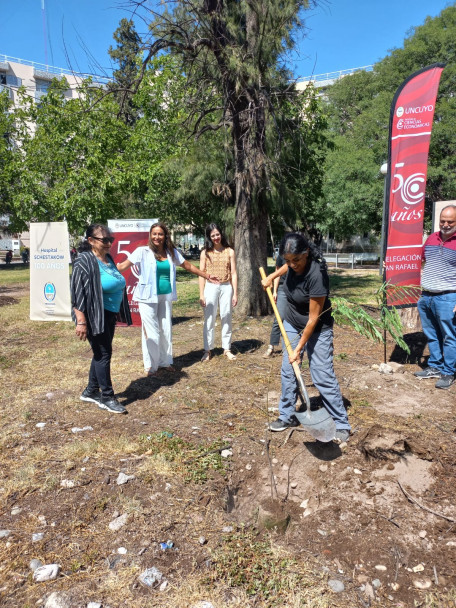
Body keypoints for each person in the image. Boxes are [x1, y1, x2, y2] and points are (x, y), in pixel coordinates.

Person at [261, 232, 351, 443]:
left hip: (318, 327)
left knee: (321, 374)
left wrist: (299, 348)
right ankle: (287, 416)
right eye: (288, 260)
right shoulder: (291, 264)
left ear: (307, 253)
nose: (292, 265)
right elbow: (285, 268)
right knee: (288, 370)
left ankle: (341, 423)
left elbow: (312, 319)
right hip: (292, 322)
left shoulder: (317, 274)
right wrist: (272, 277)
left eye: (297, 260)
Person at [116, 222, 219, 375]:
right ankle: (151, 365)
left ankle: (165, 362)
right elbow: (122, 266)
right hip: (146, 297)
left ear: (165, 236)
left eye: (160, 234)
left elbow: (188, 266)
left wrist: (206, 275)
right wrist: (103, 268)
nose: (157, 237)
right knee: (151, 332)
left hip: (165, 296)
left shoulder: (171, 252)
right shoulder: (142, 251)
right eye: (154, 234)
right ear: (150, 235)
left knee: (165, 330)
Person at [71, 224, 132, 414]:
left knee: (100, 352)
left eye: (110, 240)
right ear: (90, 240)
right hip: (94, 315)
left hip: (109, 313)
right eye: (104, 240)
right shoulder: (84, 260)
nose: (108, 243)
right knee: (103, 354)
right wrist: (81, 320)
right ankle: (107, 396)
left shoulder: (107, 258)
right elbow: (76, 291)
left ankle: (90, 391)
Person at [414, 204, 456, 389]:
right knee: (431, 335)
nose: (445, 225)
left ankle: (448, 372)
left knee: (449, 336)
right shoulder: (431, 238)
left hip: (448, 297)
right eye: (442, 221)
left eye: (450, 221)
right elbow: (419, 258)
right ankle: (435, 366)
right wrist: (389, 264)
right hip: (426, 296)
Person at [199, 223, 238, 362]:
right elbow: (201, 273)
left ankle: (226, 348)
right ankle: (207, 349)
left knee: (226, 316)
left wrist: (235, 293)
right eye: (213, 235)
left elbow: (233, 273)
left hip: (226, 286)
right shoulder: (205, 252)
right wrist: (201, 294)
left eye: (217, 234)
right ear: (209, 237)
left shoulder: (230, 251)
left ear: (221, 234)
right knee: (209, 318)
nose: (216, 237)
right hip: (210, 287)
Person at [263, 251, 287, 358]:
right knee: (279, 317)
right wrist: (275, 291)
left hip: (296, 288)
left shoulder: (299, 254)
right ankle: (271, 346)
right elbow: (278, 272)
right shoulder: (282, 255)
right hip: (283, 288)